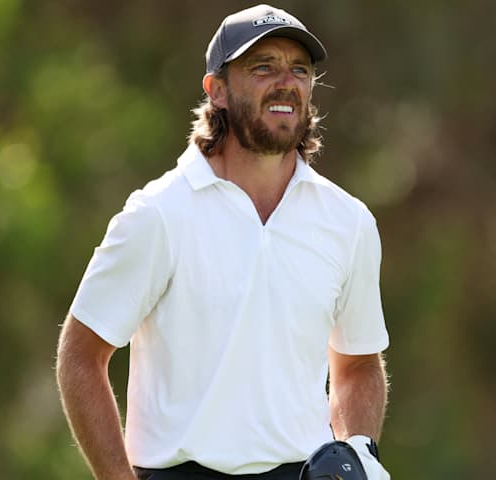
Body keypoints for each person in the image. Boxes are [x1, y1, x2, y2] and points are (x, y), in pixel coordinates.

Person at [56, 4, 391, 480]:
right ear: (217, 90)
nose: (287, 82)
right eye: (263, 68)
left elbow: (358, 364)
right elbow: (81, 355)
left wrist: (358, 452)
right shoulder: (159, 214)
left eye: (300, 70)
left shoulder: (348, 221)